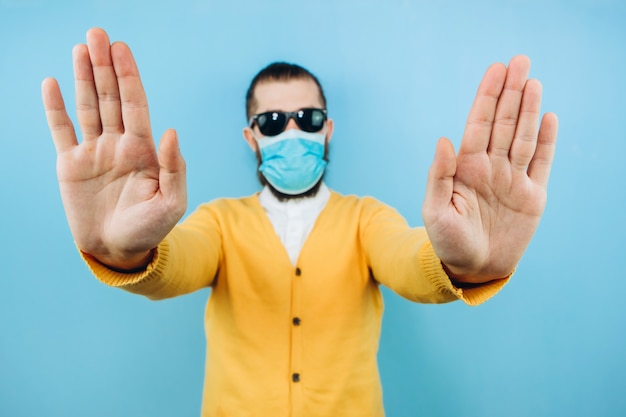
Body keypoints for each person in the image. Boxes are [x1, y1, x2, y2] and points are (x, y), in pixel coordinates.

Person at [42, 27, 558, 417]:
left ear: (327, 129)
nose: (292, 131)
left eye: (307, 119)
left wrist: (461, 265)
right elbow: (177, 261)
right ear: (252, 137)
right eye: (272, 121)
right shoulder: (220, 222)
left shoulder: (365, 218)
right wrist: (123, 252)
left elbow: (408, 258)